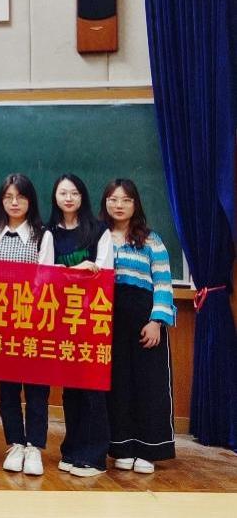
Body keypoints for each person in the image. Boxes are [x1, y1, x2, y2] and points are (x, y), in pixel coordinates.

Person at [100, 178, 175, 474]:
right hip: (109, 322)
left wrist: (156, 321)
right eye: (113, 199)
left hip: (145, 322)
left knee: (149, 385)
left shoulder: (151, 240)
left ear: (135, 204)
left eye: (126, 200)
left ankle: (148, 449)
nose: (119, 205)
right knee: (117, 384)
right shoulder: (99, 237)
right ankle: (121, 447)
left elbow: (163, 282)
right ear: (105, 202)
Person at [0, 173, 54, 476]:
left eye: (21, 197)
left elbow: (47, 279)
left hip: (35, 323)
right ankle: (15, 443)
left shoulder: (43, 235)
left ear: (30, 201)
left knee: (37, 389)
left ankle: (34, 446)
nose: (14, 203)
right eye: (8, 197)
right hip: (1, 323)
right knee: (8, 389)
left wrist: (27, 311)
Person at [47, 174, 113, 478]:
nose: (68, 198)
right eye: (63, 193)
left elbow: (104, 272)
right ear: (55, 197)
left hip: (92, 320)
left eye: (74, 193)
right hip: (62, 320)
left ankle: (95, 456)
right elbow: (45, 274)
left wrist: (71, 272)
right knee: (70, 389)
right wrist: (76, 271)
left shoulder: (98, 230)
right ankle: (72, 449)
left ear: (82, 196)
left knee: (92, 388)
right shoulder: (49, 232)